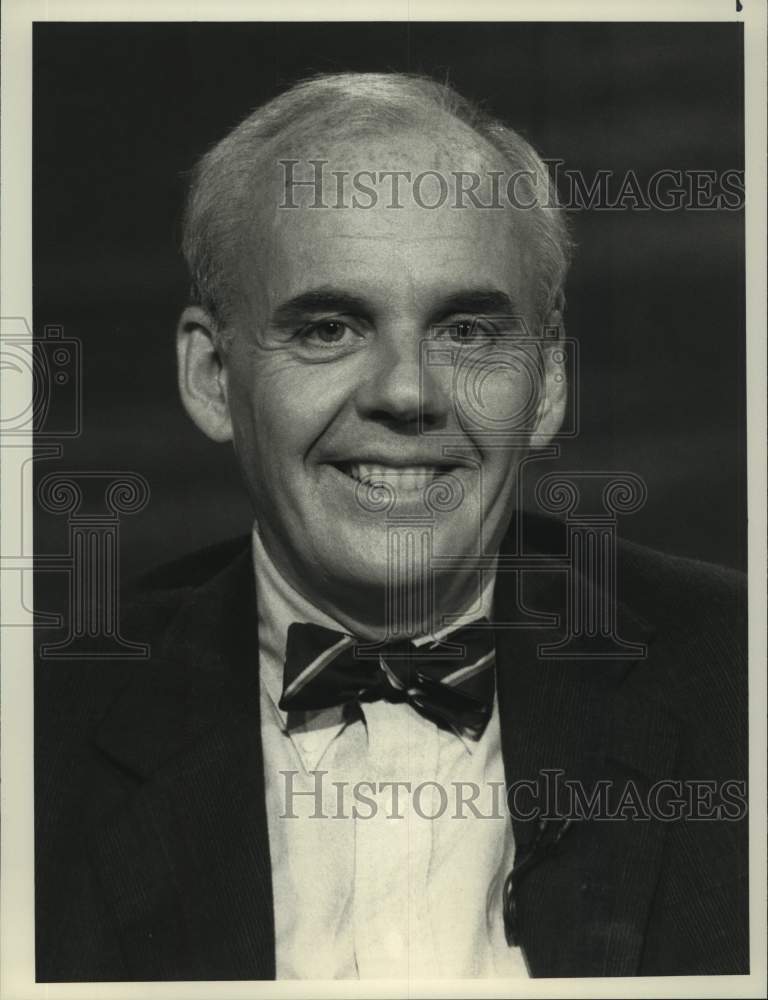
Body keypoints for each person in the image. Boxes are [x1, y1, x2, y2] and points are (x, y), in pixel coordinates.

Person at [35, 72, 748, 981]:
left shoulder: (741, 683)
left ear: (550, 385)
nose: (407, 393)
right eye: (330, 328)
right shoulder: (38, 737)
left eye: (468, 332)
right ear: (213, 376)